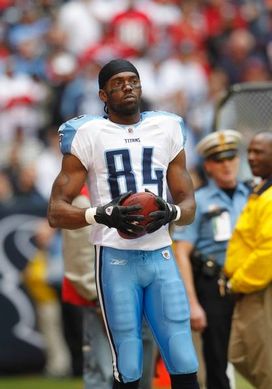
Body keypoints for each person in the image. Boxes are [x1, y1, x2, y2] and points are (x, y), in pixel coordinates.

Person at [47, 58, 199, 389]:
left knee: (184, 358)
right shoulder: (86, 133)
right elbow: (55, 212)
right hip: (116, 259)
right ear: (103, 94)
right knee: (128, 364)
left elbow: (189, 205)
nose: (127, 86)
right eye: (117, 82)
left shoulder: (168, 127)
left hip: (161, 255)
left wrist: (171, 212)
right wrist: (100, 214)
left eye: (133, 80)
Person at [172, 129, 250, 389]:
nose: (226, 165)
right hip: (214, 285)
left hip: (251, 285)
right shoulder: (199, 202)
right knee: (217, 362)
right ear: (208, 166)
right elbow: (181, 252)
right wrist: (192, 303)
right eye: (219, 160)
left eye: (230, 157)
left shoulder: (254, 195)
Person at [223, 131, 272, 389]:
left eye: (259, 152)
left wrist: (237, 283)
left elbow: (267, 252)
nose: (251, 157)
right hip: (246, 291)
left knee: (266, 368)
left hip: (259, 291)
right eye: (249, 152)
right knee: (238, 356)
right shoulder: (260, 191)